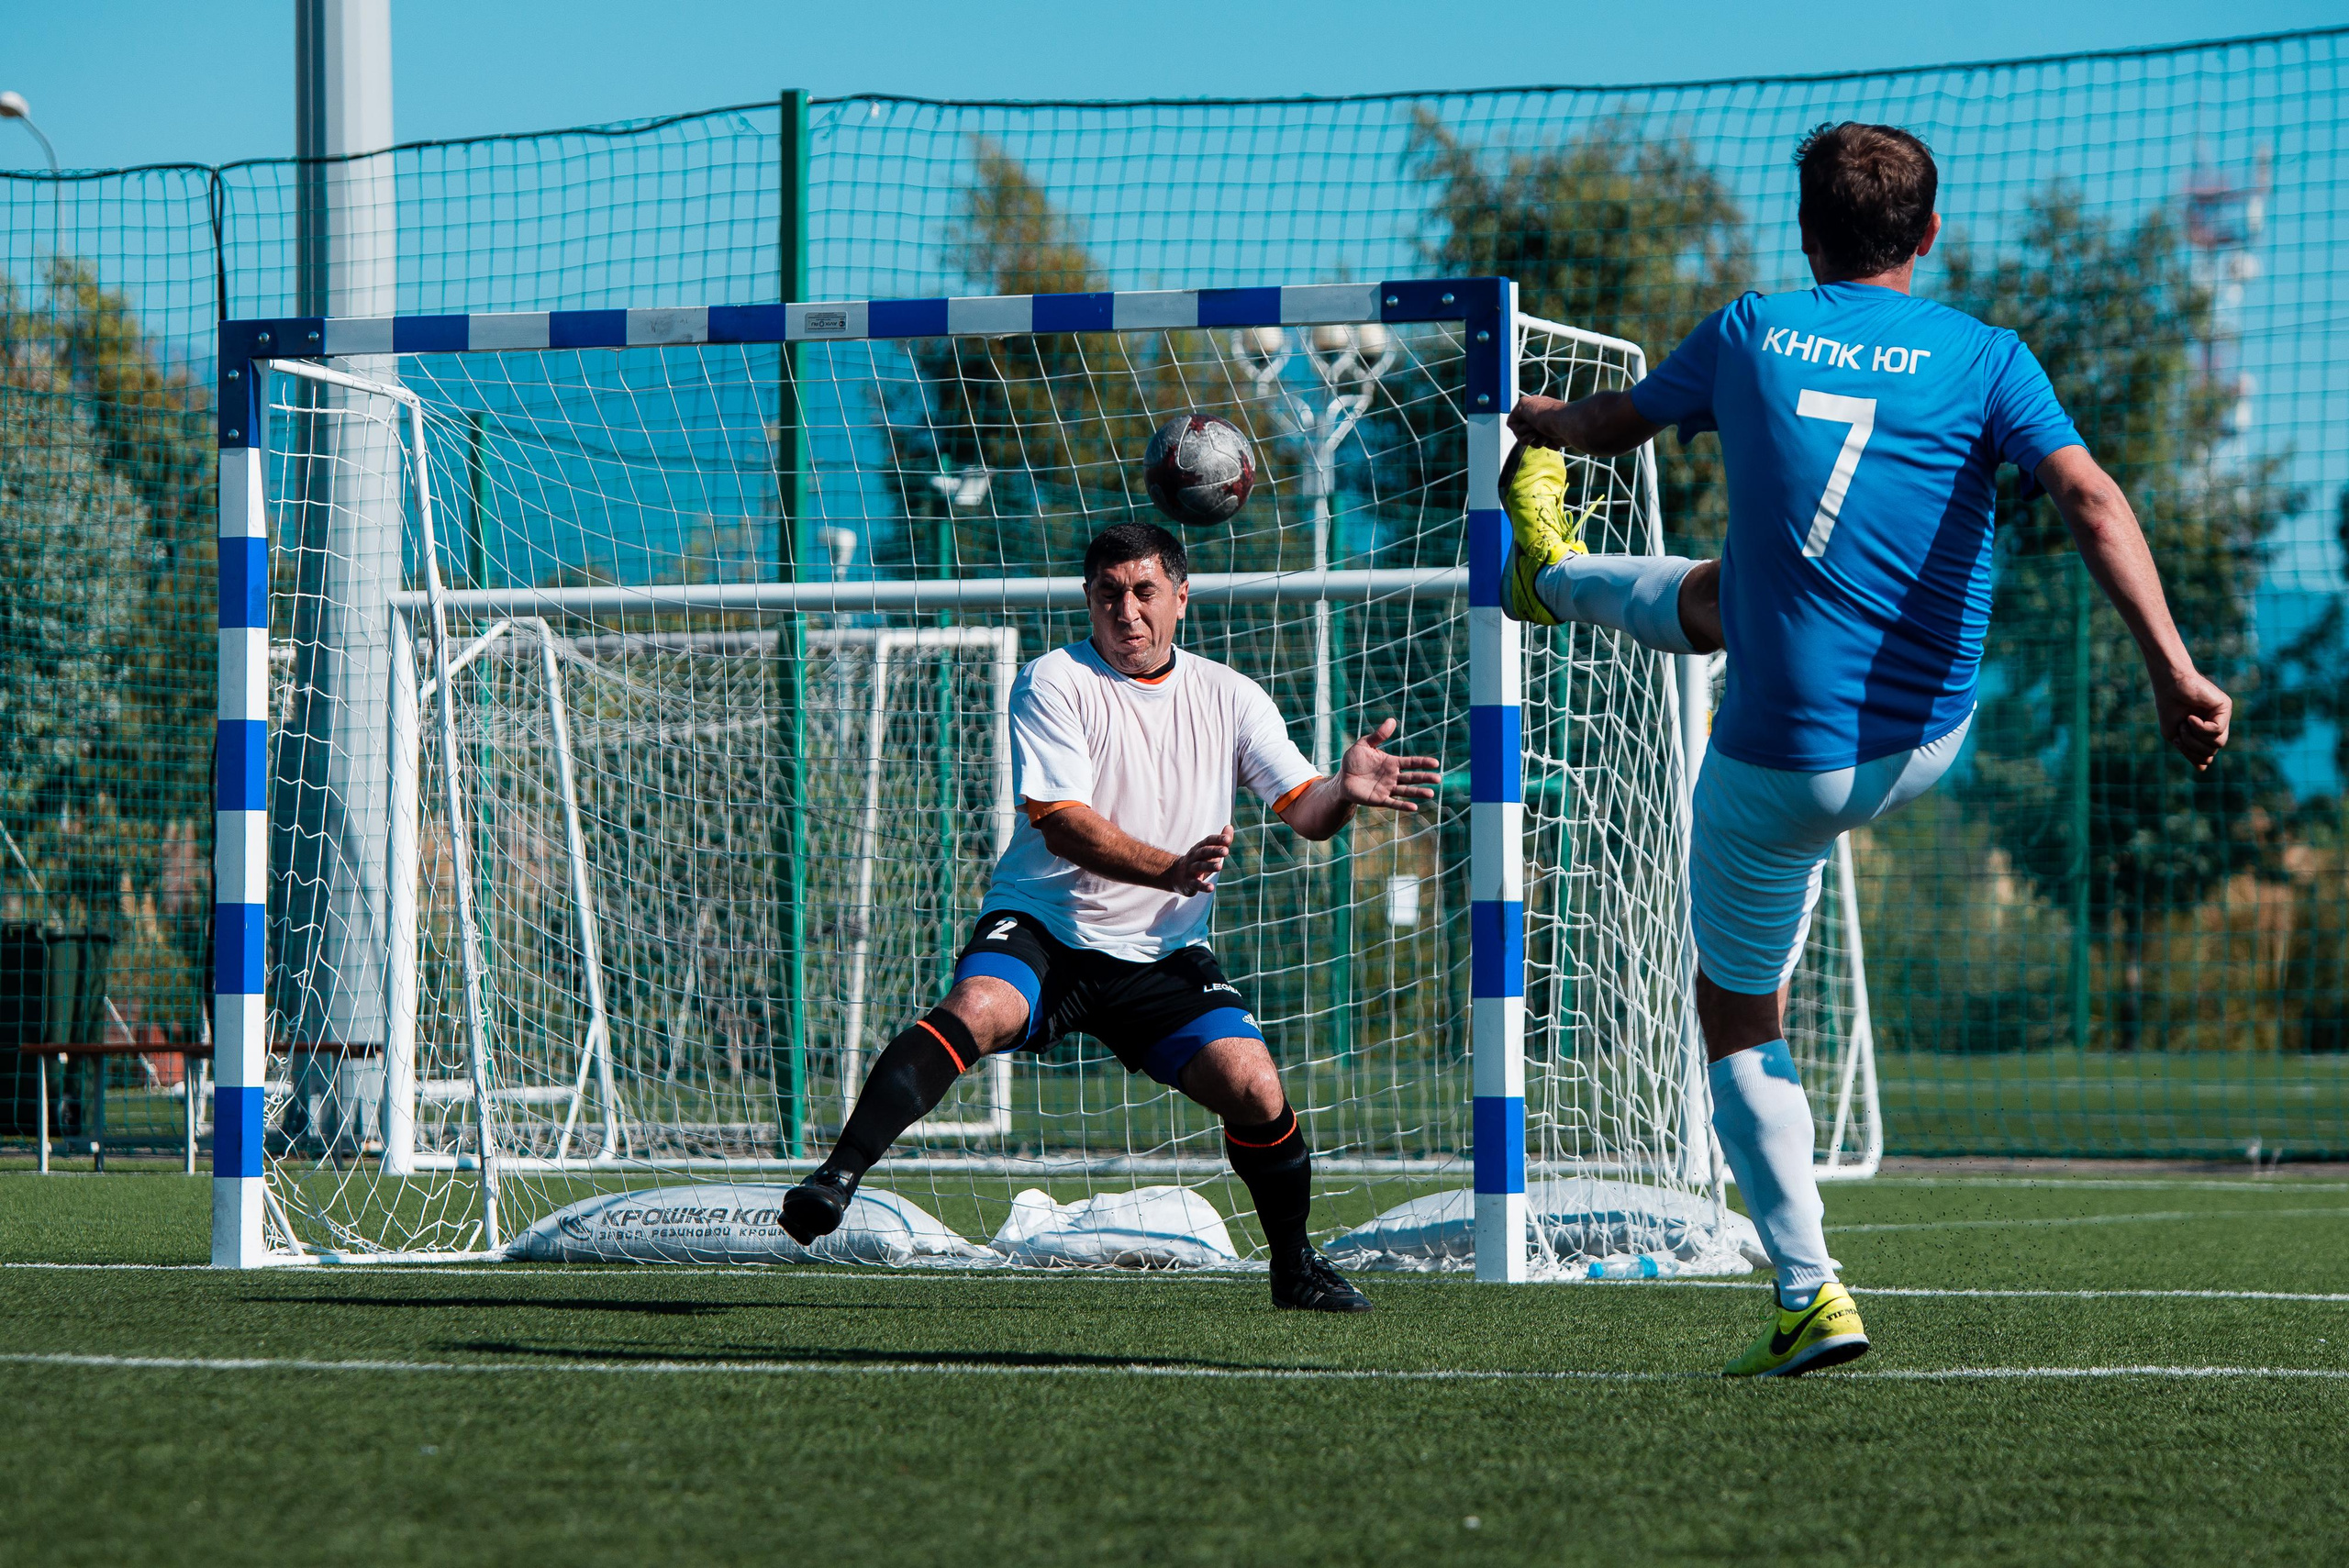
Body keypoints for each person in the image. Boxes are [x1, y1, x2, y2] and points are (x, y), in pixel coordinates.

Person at [1501, 121, 2232, 1375]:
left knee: (1736, 1013)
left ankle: (1807, 1290)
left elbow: (1605, 424)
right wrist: (2174, 666)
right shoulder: (1989, 358)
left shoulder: (1748, 329)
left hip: (1778, 764)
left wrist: (1519, 410)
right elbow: (2093, 498)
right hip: (1923, 742)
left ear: (1805, 233)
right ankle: (1554, 576)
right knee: (1749, 586)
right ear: (1930, 235)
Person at [781, 520, 1441, 1311]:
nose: (1127, 611)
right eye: (1109, 593)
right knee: (980, 1007)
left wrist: (1345, 791)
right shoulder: (1055, 679)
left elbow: (1305, 810)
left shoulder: (1231, 696)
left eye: (1144, 592)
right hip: (1046, 927)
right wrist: (1170, 866)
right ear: (1088, 600)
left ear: (1181, 597)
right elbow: (1061, 820)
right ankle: (837, 1176)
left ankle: (1296, 1268)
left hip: (1162, 952)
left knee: (1256, 1085)